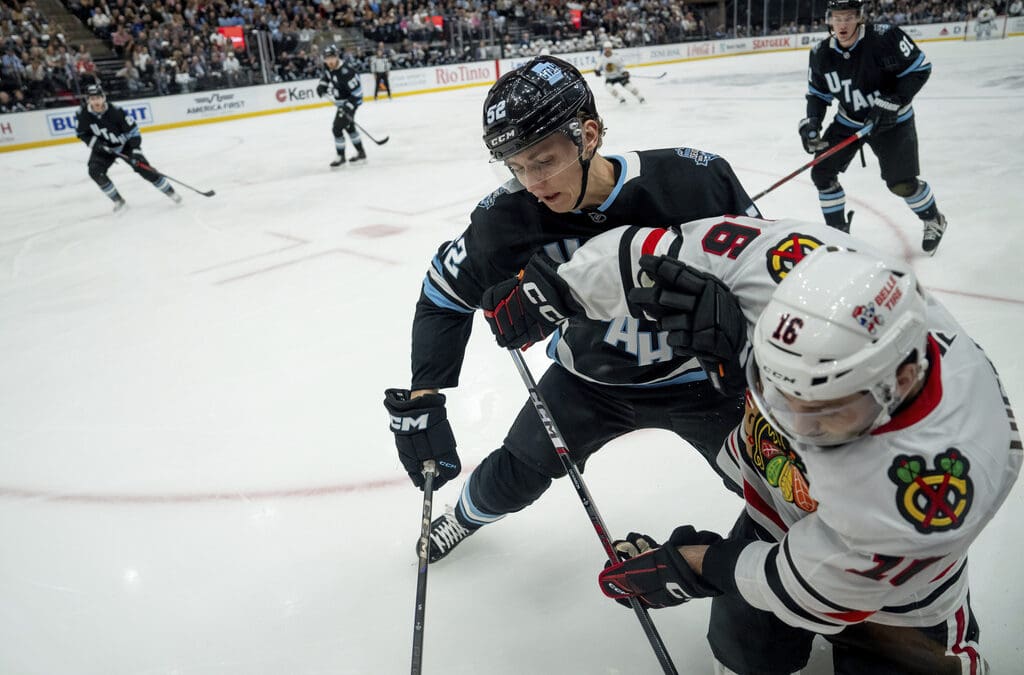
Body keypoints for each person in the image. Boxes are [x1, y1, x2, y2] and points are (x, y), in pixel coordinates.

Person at [482, 214, 1021, 673]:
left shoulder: (939, 481)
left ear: (901, 380)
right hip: (779, 512)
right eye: (777, 387)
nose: (792, 422)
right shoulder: (794, 269)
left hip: (900, 596)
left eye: (824, 410)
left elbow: (811, 587)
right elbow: (657, 251)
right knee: (742, 648)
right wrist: (557, 288)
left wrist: (701, 566)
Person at [384, 56, 761, 564]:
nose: (533, 183)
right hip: (588, 380)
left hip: (700, 379)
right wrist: (426, 391)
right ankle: (465, 518)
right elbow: (440, 296)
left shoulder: (695, 182)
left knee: (778, 485)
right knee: (516, 472)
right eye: (516, 168)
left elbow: (769, 280)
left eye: (542, 160)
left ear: (587, 135)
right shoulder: (506, 220)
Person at [799, 0, 947, 255]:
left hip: (892, 122)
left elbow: (919, 69)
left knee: (901, 183)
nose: (842, 24)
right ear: (829, 19)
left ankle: (934, 219)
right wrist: (812, 122)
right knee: (822, 173)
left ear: (859, 17)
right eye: (837, 18)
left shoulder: (884, 37)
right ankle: (838, 232)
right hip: (849, 123)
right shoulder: (821, 53)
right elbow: (818, 94)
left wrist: (894, 100)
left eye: (847, 18)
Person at [75, 83, 181, 212]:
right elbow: (82, 134)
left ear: (103, 98)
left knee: (145, 169)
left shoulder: (117, 112)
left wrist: (136, 152)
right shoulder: (82, 114)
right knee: (95, 171)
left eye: (98, 98)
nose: (95, 101)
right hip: (104, 149)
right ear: (88, 100)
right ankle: (119, 201)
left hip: (125, 146)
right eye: (92, 99)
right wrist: (98, 146)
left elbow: (134, 133)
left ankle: (171, 193)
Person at [315, 44, 366, 167]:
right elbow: (327, 77)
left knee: (337, 128)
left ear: (337, 57)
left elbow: (358, 93)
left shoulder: (347, 72)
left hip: (351, 103)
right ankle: (361, 153)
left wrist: (348, 106)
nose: (330, 61)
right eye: (327, 59)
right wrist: (322, 85)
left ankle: (340, 156)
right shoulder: (328, 67)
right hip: (341, 104)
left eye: (332, 58)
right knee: (349, 127)